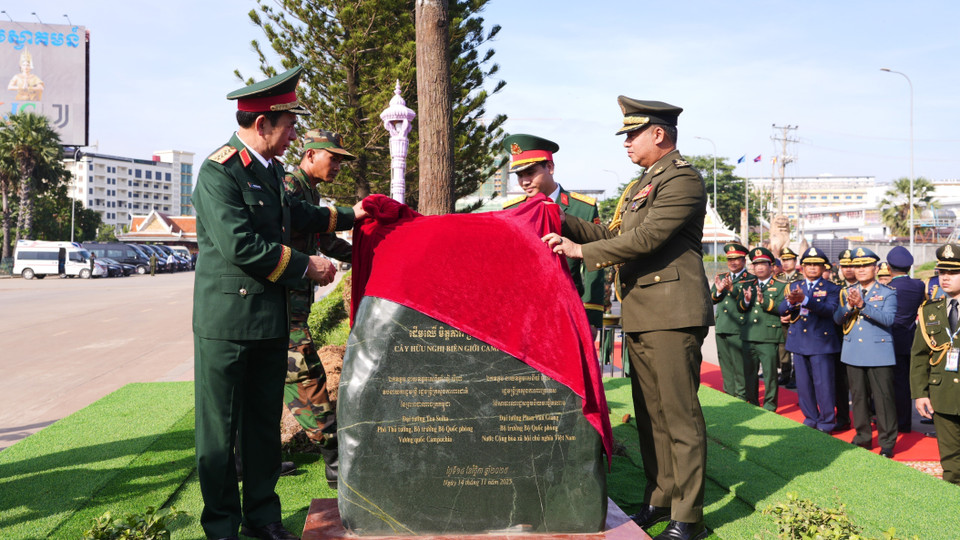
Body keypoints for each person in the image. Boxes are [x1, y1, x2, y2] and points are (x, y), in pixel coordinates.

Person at [191, 65, 366, 540]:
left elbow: (302, 213)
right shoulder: (219, 171)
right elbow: (240, 245)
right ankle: (223, 526)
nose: (293, 135)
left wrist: (355, 214)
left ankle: (263, 518)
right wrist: (307, 266)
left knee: (264, 427)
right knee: (221, 435)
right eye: (288, 125)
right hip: (228, 324)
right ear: (262, 123)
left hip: (270, 322)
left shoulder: (268, 172)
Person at [543, 97, 713, 540]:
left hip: (673, 314)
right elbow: (615, 234)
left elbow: (649, 237)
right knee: (651, 416)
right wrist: (558, 218)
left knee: (679, 416)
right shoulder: (643, 183)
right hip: (643, 312)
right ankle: (659, 500)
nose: (626, 143)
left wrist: (582, 251)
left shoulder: (682, 180)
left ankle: (688, 517)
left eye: (632, 134)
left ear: (659, 134)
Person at [282, 129, 357, 488]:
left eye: (342, 159)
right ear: (310, 154)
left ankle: (248, 459)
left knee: (266, 382)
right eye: (334, 157)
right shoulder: (289, 187)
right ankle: (335, 460)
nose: (339, 164)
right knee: (307, 376)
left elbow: (326, 241)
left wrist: (369, 253)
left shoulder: (309, 192)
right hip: (279, 307)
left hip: (294, 307)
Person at [502, 134, 605, 332]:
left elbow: (595, 265)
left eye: (530, 172)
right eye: (520, 175)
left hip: (569, 311)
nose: (524, 181)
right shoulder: (512, 211)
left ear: (550, 167)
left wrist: (591, 316)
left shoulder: (581, 208)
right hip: (525, 314)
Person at [834, 248, 898, 457]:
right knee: (859, 398)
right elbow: (837, 318)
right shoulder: (847, 291)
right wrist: (850, 308)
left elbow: (888, 320)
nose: (860, 270)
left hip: (879, 353)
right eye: (857, 266)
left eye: (865, 265)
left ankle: (887, 442)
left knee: (883, 398)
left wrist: (863, 305)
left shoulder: (888, 292)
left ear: (875, 268)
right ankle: (863, 437)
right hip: (853, 351)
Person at [912, 243, 960, 484]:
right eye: (942, 272)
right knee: (950, 463)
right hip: (943, 394)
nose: (945, 278)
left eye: (953, 272)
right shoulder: (930, 310)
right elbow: (919, 355)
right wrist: (920, 393)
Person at [780, 247, 842, 432]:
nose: (813, 268)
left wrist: (805, 300)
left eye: (817, 264)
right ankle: (810, 418)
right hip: (799, 341)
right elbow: (782, 309)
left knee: (824, 385)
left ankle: (827, 421)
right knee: (804, 385)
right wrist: (791, 302)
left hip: (821, 343)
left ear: (824, 268)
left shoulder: (832, 288)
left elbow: (829, 310)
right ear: (802, 267)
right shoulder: (793, 286)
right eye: (809, 264)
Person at [737, 247, 787, 411]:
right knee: (749, 373)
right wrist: (745, 301)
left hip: (768, 336)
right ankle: (752, 403)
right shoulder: (746, 284)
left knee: (770, 374)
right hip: (748, 335)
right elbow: (740, 308)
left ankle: (770, 405)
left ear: (771, 266)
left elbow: (783, 308)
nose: (758, 267)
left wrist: (763, 301)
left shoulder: (781, 286)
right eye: (755, 264)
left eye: (763, 263)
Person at [884, 246, 924, 433]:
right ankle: (905, 421)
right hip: (911, 337)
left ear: (889, 268)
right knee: (906, 383)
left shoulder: (888, 288)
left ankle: (899, 421)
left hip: (891, 338)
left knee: (893, 384)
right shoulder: (918, 285)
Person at [711, 243, 754, 400]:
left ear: (743, 260)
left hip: (739, 328)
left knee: (739, 366)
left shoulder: (750, 279)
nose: (733, 263)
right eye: (730, 259)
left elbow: (748, 303)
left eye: (736, 259)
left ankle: (741, 397)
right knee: (725, 364)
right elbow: (712, 299)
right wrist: (719, 290)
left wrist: (732, 290)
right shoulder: (722, 277)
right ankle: (729, 394)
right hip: (722, 326)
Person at [776, 246, 800, 388]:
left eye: (789, 260)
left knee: (796, 349)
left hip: (796, 318)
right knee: (782, 348)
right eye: (783, 260)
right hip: (781, 319)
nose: (785, 263)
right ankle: (784, 374)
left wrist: (790, 314)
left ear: (795, 261)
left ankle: (796, 377)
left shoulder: (801, 278)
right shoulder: (777, 278)